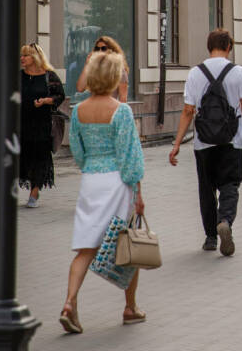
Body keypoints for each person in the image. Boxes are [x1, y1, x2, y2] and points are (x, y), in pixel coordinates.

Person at [59, 50, 146, 334]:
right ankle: (130, 307)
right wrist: (138, 192)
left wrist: (89, 166)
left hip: (91, 180)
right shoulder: (121, 111)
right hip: (117, 182)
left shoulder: (78, 111)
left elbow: (77, 150)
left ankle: (69, 302)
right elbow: (130, 156)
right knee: (127, 245)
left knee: (85, 248)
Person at [169, 29, 242, 254]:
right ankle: (224, 220)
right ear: (229, 47)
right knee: (230, 184)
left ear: (209, 47)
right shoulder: (238, 72)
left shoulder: (195, 73)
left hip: (203, 142)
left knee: (206, 188)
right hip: (232, 140)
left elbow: (188, 111)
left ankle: (210, 238)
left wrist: (177, 144)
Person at [19, 43, 65, 208]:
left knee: (40, 156)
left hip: (42, 123)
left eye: (26, 55)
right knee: (25, 156)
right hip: (22, 122)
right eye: (22, 55)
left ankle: (35, 191)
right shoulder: (19, 76)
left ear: (35, 57)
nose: (22, 58)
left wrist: (46, 101)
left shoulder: (48, 75)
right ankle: (32, 185)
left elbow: (60, 95)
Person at [76, 36, 130, 102]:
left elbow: (123, 98)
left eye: (103, 48)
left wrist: (119, 108)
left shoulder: (119, 71)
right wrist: (87, 64)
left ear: (112, 50)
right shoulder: (94, 69)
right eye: (97, 49)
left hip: (110, 107)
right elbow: (80, 88)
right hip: (93, 106)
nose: (100, 51)